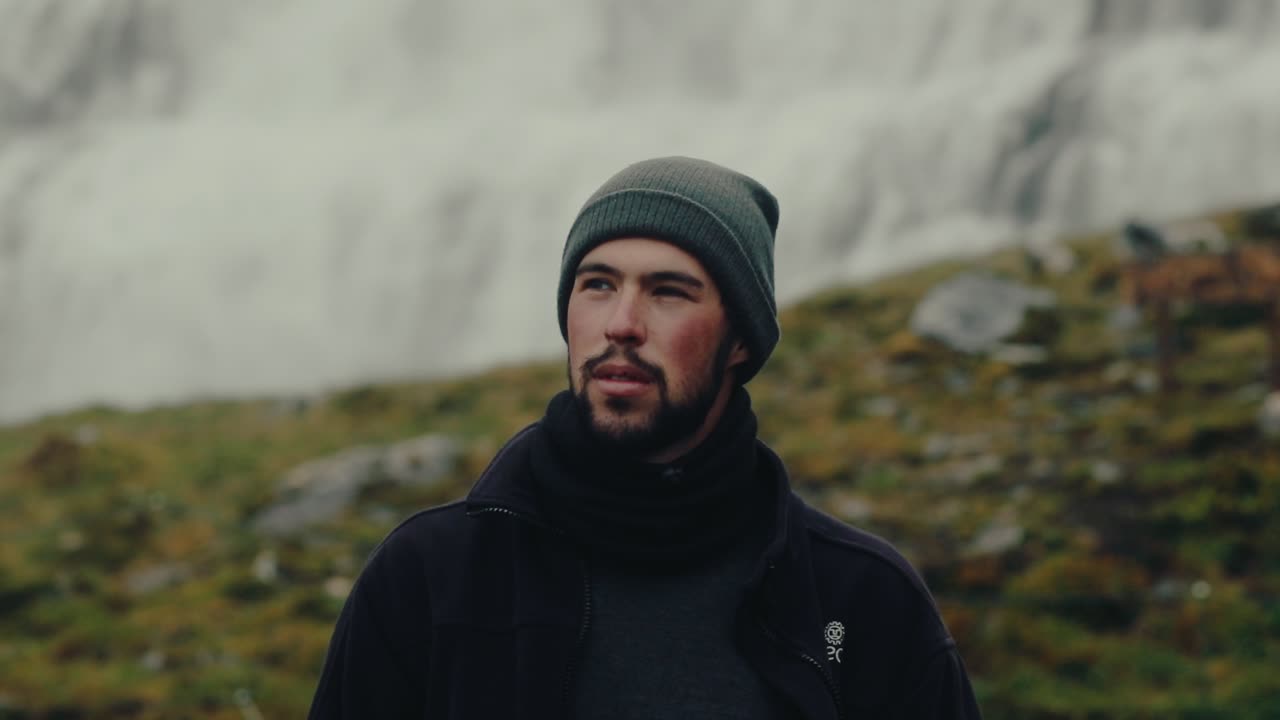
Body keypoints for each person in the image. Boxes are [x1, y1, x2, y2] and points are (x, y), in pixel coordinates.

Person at [308, 156, 982, 718]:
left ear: (742, 338)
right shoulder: (430, 576)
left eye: (668, 292)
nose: (622, 323)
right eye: (597, 284)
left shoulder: (860, 600)